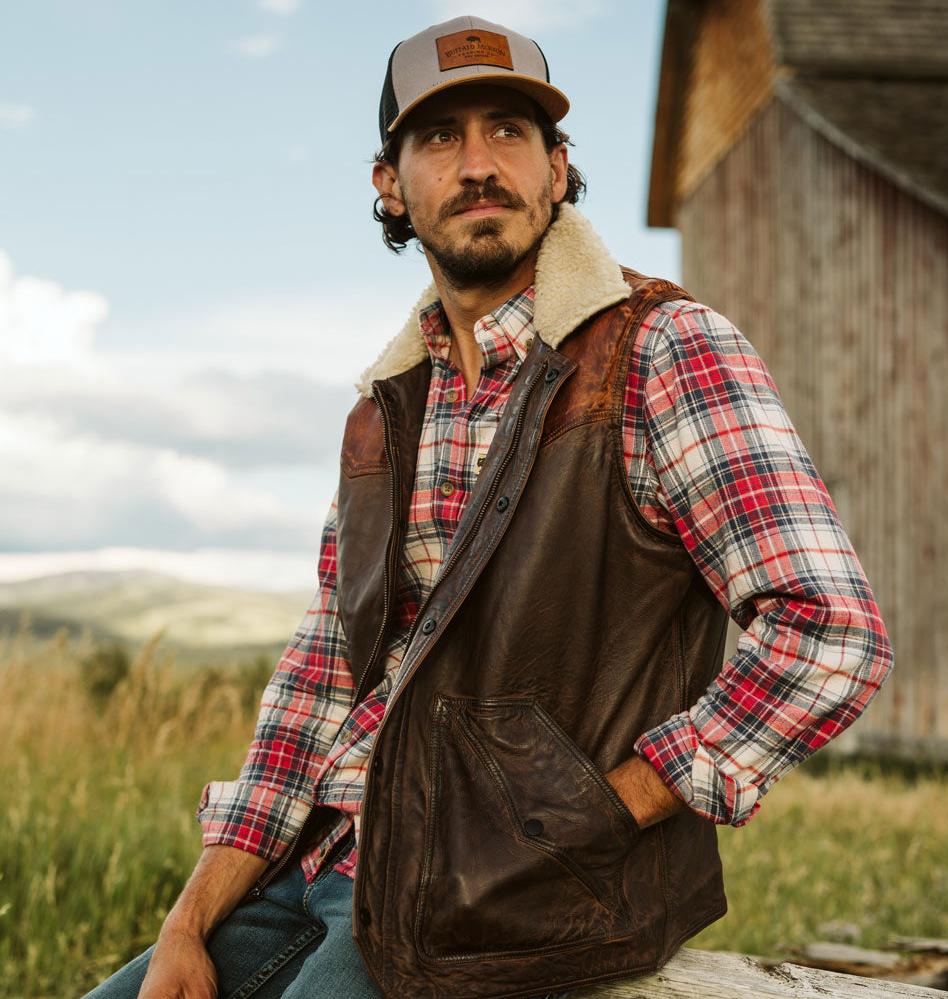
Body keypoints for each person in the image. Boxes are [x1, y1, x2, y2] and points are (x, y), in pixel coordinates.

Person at [86, 14, 895, 999]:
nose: (479, 163)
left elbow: (829, 632)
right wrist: (189, 921)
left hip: (501, 910)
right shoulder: (382, 415)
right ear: (390, 184)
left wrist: (599, 810)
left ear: (557, 167)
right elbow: (318, 690)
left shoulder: (660, 353)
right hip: (318, 870)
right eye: (439, 137)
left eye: (509, 131)